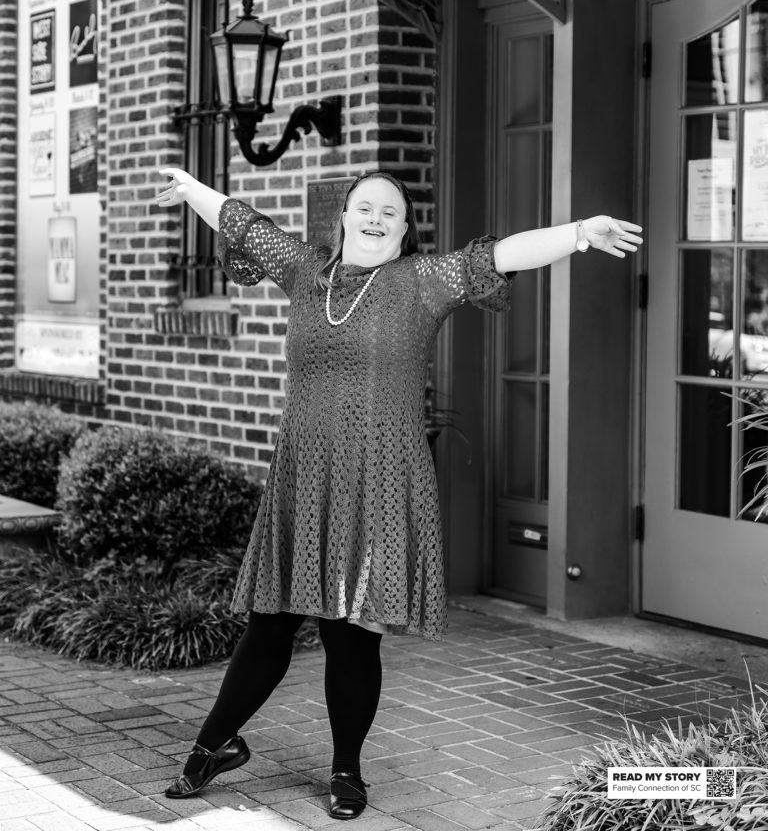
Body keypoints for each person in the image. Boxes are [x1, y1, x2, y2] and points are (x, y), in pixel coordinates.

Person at [155, 166, 642, 820]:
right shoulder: (306, 273)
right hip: (306, 476)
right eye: (365, 207)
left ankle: (346, 770)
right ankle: (214, 744)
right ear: (345, 217)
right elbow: (246, 224)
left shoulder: (420, 283)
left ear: (406, 230)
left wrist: (580, 233)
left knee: (352, 632)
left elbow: (500, 255)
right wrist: (192, 192)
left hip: (382, 480)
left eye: (391, 211)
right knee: (270, 624)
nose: (377, 218)